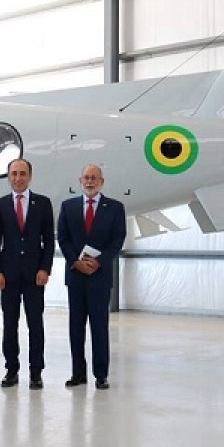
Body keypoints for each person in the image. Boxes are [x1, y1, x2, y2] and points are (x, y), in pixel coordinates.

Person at [56, 164, 126, 390]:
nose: (90, 182)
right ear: (80, 180)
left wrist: (99, 262)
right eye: (86, 178)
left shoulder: (115, 208)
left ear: (101, 182)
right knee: (75, 327)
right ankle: (78, 373)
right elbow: (63, 239)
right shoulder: (68, 207)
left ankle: (101, 374)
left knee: (99, 326)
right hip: (76, 276)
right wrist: (75, 262)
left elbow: (117, 240)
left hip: (99, 277)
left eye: (94, 178)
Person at [0, 159, 54, 390]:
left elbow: (49, 241)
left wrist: (45, 269)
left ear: (30, 176)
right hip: (8, 277)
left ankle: (36, 372)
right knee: (10, 324)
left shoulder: (43, 204)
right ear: (8, 176)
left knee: (35, 324)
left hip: (34, 275)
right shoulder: (1, 206)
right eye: (14, 173)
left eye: (22, 173)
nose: (18, 178)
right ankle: (11, 369)